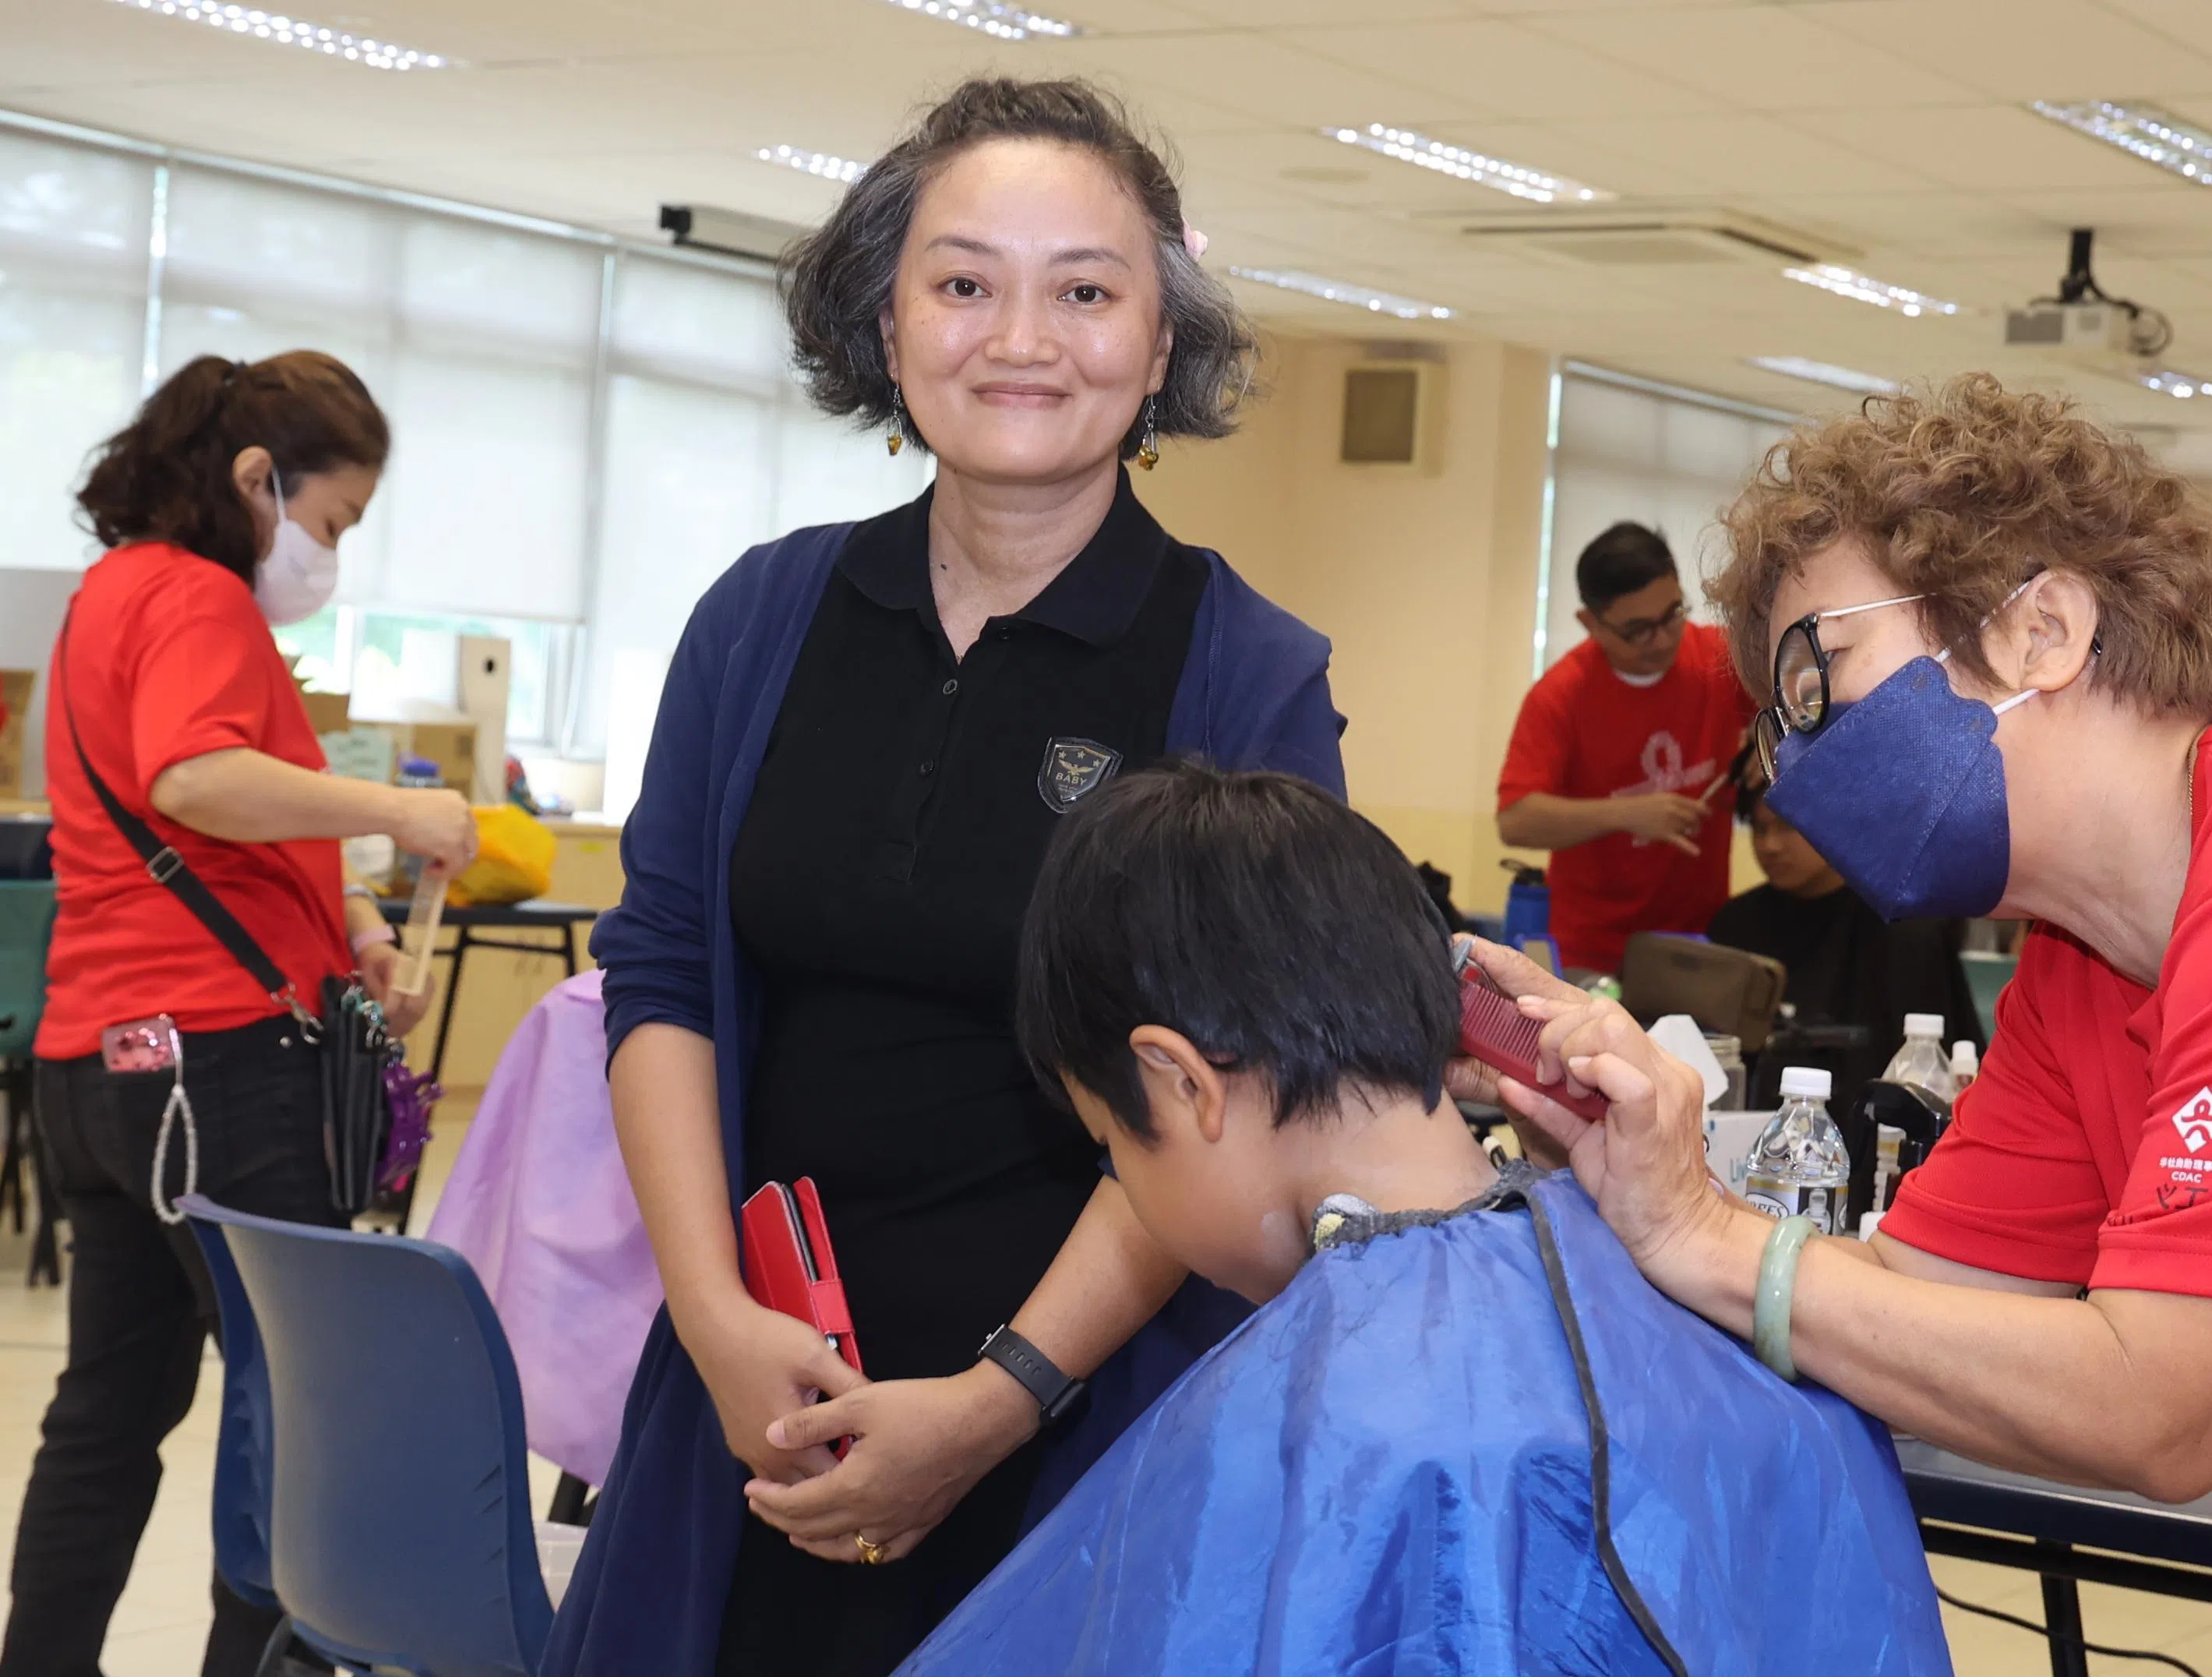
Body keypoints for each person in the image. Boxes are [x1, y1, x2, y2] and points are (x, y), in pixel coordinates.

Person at [552, 78, 1346, 1677]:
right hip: (759, 1392)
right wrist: (711, 1315)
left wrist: (999, 1399)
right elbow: (662, 973)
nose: (1022, 338)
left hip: (1089, 1412)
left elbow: (1230, 1098)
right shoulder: (762, 619)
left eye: (1087, 290)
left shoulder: (1240, 671)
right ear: (887, 317)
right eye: (965, 281)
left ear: (1162, 339)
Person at [1452, 373, 2212, 1548]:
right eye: (1779, 723)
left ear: (2046, 630)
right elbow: (1905, 1309)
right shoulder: (2077, 970)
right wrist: (1634, 1154)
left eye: (1817, 683)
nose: (1785, 772)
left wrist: (1704, 1236)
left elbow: (2164, 1410)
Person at [880, 763, 1949, 1675]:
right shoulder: (1738, 1304)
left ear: (1180, 1081)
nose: (1121, 1176)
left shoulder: (1325, 1416)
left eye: (1109, 1143)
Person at [6, 351, 476, 1677]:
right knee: (308, 1406)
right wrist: (397, 809)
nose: (330, 555)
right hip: (214, 1068)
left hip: (97, 1065)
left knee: (107, 1409)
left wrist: (358, 930)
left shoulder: (114, 593)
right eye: (330, 522)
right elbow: (196, 779)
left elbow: (186, 830)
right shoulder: (204, 599)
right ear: (255, 481)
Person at [1496, 521, 1751, 972]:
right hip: (1588, 954)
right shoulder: (1561, 696)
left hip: (1696, 946)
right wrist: (1627, 814)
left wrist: (1777, 750)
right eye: (1638, 630)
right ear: (1590, 623)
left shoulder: (1719, 659)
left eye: (1673, 614)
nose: (1664, 639)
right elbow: (1517, 820)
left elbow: (1802, 708)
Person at [1709, 761, 1983, 1079]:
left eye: (1787, 826)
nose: (1769, 845)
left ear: (1835, 821)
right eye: (1759, 828)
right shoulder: (1735, 925)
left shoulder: (1905, 928)